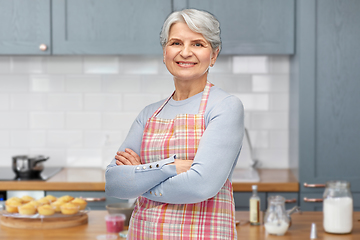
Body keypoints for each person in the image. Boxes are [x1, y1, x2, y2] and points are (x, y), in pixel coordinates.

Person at [105, 8, 244, 239]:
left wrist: (139, 178)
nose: (186, 52)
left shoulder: (225, 106)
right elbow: (114, 183)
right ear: (164, 52)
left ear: (214, 55)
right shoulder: (149, 114)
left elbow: (200, 186)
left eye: (198, 44)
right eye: (176, 43)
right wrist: (172, 167)